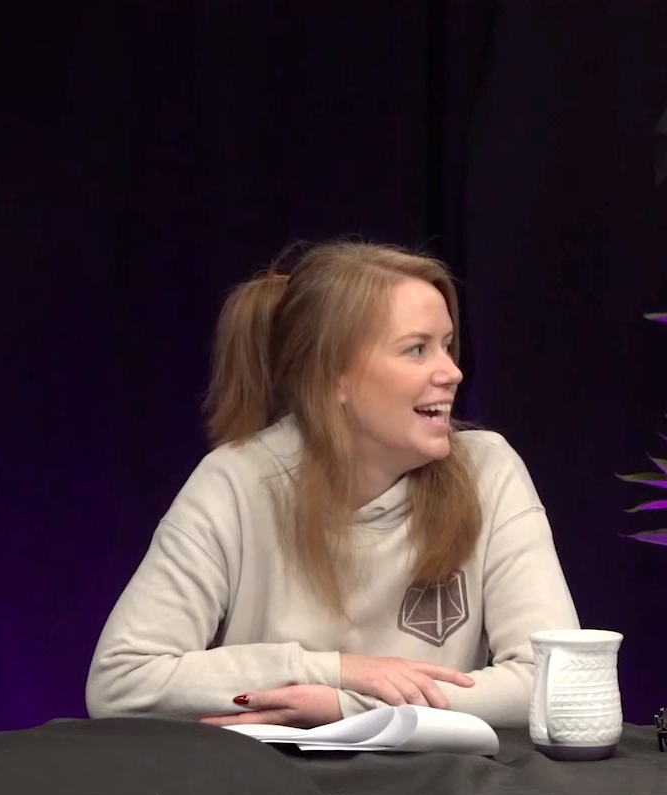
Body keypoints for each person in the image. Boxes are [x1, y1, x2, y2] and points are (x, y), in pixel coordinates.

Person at [86, 240, 581, 729]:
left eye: (447, 345)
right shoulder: (235, 483)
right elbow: (121, 680)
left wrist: (349, 707)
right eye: (417, 349)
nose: (452, 372)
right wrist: (336, 671)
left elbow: (560, 683)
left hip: (434, 782)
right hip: (267, 780)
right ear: (333, 377)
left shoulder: (488, 471)